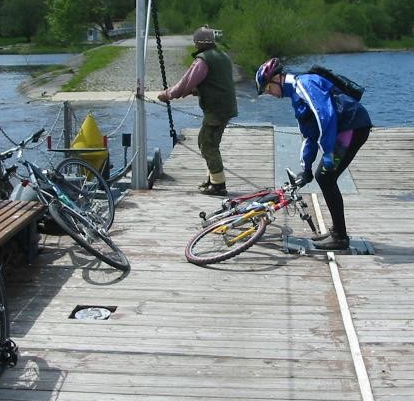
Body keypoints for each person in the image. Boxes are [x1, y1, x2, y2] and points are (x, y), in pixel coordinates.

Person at [255, 57, 372, 250]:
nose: (269, 94)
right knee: (322, 176)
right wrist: (306, 168)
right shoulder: (296, 97)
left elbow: (325, 116)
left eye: (267, 89)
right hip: (346, 129)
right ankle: (337, 232)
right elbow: (309, 135)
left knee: (326, 177)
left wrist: (327, 153)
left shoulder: (304, 84)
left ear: (277, 78)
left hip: (353, 127)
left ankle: (340, 238)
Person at [158, 26, 238, 196]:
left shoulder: (203, 60)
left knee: (208, 144)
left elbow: (186, 82)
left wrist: (167, 94)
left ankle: (218, 185)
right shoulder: (222, 55)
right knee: (206, 142)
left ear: (199, 42)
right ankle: (212, 179)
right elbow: (214, 82)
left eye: (195, 41)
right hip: (225, 107)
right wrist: (194, 91)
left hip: (216, 110)